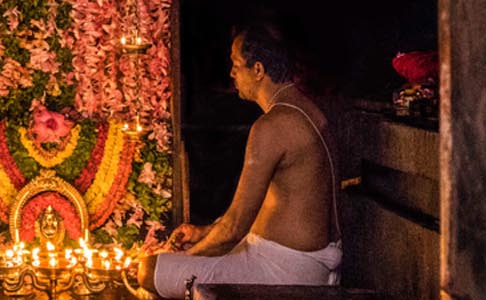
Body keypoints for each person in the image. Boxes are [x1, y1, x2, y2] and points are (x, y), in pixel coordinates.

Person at [134, 22, 342, 298]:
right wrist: (205, 232)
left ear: (258, 70)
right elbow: (268, 213)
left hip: (285, 270)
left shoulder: (273, 126)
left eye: (236, 63)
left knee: (149, 269)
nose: (231, 72)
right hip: (302, 261)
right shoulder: (308, 111)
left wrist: (192, 255)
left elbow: (234, 228)